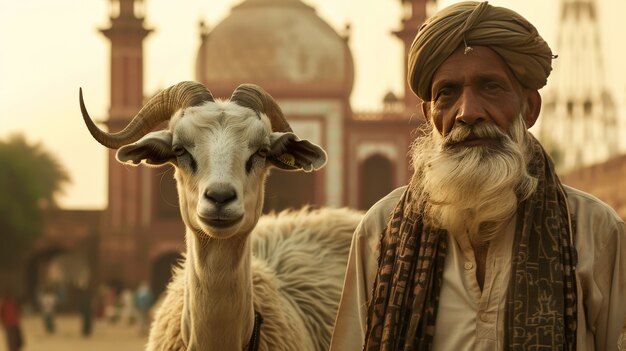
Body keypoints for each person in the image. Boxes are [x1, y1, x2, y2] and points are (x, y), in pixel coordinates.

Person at [329, 2, 626, 350]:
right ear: (429, 115)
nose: (467, 113)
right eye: (448, 93)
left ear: (529, 108)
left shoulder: (593, 231)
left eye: (490, 87)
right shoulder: (380, 232)